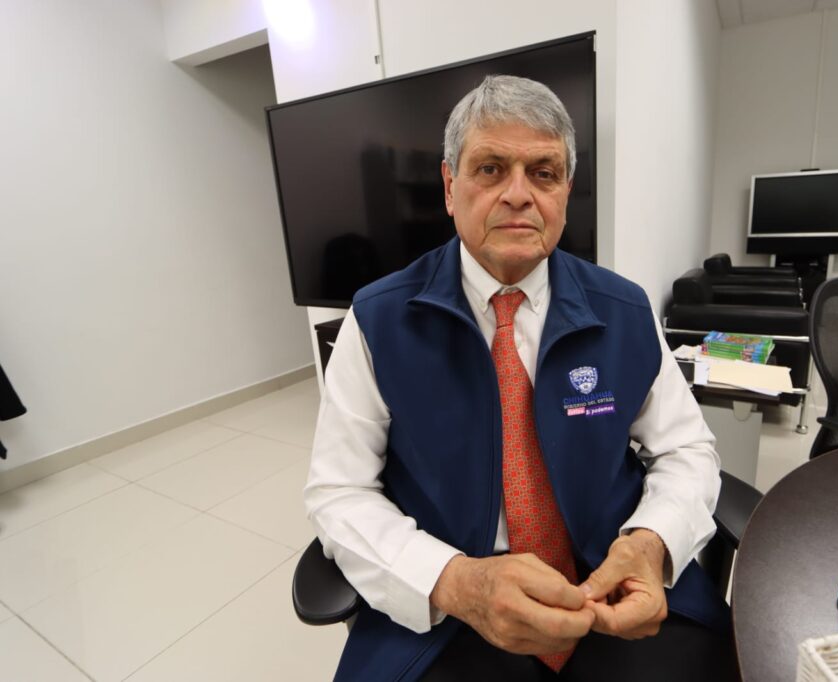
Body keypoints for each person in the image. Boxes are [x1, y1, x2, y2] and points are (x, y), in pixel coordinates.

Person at [306, 75, 738, 681]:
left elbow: (686, 450)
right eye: (490, 169)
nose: (518, 194)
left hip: (609, 583)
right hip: (450, 607)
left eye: (543, 172)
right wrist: (456, 582)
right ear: (449, 186)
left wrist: (650, 542)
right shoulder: (377, 320)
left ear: (566, 192)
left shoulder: (624, 311)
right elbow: (339, 491)